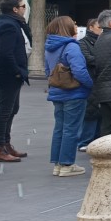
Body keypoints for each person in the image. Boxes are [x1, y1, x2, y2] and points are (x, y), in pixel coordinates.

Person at [44, 16, 94, 177]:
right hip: (74, 93)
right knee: (71, 129)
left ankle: (57, 164)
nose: (76, 25)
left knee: (59, 128)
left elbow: (47, 71)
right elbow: (79, 71)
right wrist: (90, 84)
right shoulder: (71, 47)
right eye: (73, 23)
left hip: (57, 92)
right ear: (67, 28)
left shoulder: (49, 47)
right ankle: (67, 164)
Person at [0, 0, 31, 162]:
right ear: (15, 9)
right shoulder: (9, 25)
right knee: (5, 111)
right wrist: (17, 71)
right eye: (23, 6)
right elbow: (5, 53)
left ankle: (6, 144)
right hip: (8, 74)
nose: (25, 8)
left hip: (11, 73)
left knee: (12, 109)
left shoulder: (11, 23)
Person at [77, 18, 102, 152]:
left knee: (100, 111)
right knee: (91, 111)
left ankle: (96, 139)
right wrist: (104, 60)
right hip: (91, 80)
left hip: (101, 81)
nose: (102, 30)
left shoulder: (104, 42)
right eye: (99, 27)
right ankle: (84, 141)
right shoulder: (83, 43)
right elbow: (88, 59)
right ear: (91, 27)